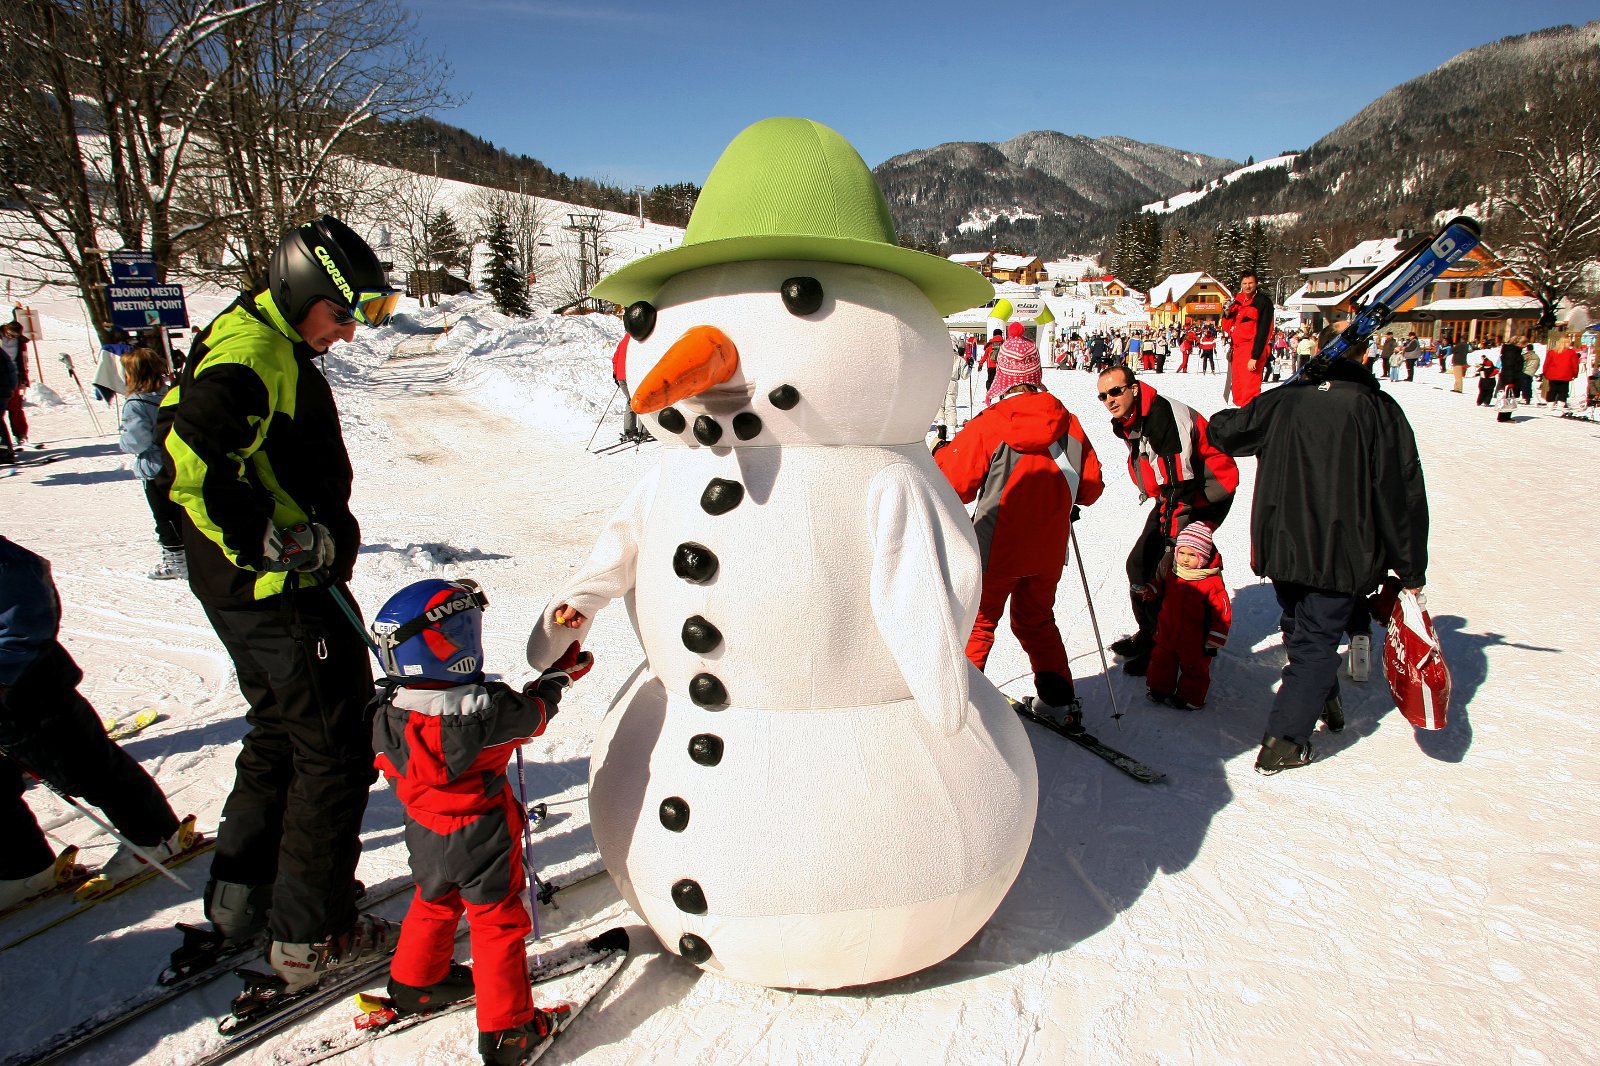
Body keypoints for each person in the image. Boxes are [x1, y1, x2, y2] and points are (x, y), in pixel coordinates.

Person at [154, 215, 402, 991]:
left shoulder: (261, 333)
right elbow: (186, 461)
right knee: (334, 748)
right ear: (300, 293)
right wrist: (273, 543)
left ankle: (242, 905)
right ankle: (312, 934)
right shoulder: (255, 355)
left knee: (280, 736)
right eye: (341, 315)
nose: (350, 335)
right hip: (277, 593)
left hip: (247, 592)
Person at [369, 578, 590, 1065]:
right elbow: (536, 715)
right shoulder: (488, 711)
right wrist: (559, 677)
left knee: (433, 900)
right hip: (481, 833)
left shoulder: (386, 712)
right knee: (496, 922)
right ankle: (510, 1029)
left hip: (424, 829)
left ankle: (415, 983)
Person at [1207, 330, 1429, 775]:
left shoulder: (1286, 401)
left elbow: (1224, 428)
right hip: (1341, 550)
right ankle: (1284, 741)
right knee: (1315, 642)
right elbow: (1399, 493)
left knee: (1304, 631)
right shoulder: (1378, 410)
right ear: (1364, 357)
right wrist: (1410, 566)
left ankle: (1319, 693)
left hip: (1284, 545)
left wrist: (1285, 393)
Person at [0, 536, 192, 910]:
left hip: (25, 686)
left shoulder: (7, 565)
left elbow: (25, 619)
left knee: (82, 765)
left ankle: (155, 835)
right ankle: (24, 867)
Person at [935, 366, 1103, 731]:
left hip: (997, 549)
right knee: (1037, 620)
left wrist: (943, 452)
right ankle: (1059, 702)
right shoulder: (1068, 422)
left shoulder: (993, 421)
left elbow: (953, 484)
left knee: (978, 624)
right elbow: (1091, 487)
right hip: (1048, 550)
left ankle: (961, 712)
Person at [1098, 366, 1239, 673]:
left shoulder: (1161, 418)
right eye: (1103, 395)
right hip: (1175, 495)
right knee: (1140, 565)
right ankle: (1153, 635)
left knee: (1175, 572)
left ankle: (1176, 647)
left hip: (1204, 495)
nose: (1109, 399)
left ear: (1134, 388)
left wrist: (1171, 541)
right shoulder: (1134, 417)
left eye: (1115, 391)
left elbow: (1181, 482)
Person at [1145, 521, 1231, 711]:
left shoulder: (1211, 582)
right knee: (1162, 660)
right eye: (1182, 553)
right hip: (1168, 630)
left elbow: (1222, 612)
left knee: (1194, 668)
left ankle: (1190, 697)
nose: (1185, 559)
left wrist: (1216, 636)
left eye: (1192, 555)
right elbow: (1160, 585)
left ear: (1204, 556)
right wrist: (1151, 589)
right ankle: (1159, 689)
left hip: (1194, 638)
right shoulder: (1173, 572)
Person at [118, 347, 187, 581]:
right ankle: (191, 558)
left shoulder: (135, 403)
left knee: (165, 518)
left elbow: (137, 440)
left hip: (155, 467)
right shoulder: (172, 395)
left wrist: (124, 441)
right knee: (182, 513)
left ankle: (177, 563)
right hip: (177, 463)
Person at [1221, 271, 1273, 404]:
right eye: (1244, 283)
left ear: (1256, 284)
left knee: (1250, 391)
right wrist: (1226, 313)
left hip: (1251, 350)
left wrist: (1255, 356)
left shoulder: (1263, 303)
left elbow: (1264, 331)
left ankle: (1250, 418)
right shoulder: (1238, 301)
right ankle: (1242, 416)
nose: (1247, 286)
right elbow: (1228, 327)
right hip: (1237, 351)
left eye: (1250, 283)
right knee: (1238, 389)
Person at [1, 321, 30, 450]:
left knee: (15, 407)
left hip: (14, 376)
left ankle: (20, 434)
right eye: (10, 335)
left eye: (15, 336)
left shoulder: (20, 342)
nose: (12, 338)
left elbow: (23, 361)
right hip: (1, 375)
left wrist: (24, 379)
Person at [1543, 340, 1580, 409]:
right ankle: (1561, 404)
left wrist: (1545, 372)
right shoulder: (1571, 353)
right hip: (1566, 374)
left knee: (1552, 389)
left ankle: (1550, 404)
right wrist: (1575, 374)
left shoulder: (1552, 352)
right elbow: (1575, 364)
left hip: (1553, 374)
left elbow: (1546, 364)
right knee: (1563, 390)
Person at [981, 328, 1004, 393]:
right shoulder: (1004, 343)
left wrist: (980, 364)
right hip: (1001, 366)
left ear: (993, 335)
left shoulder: (989, 344)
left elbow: (985, 356)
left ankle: (989, 396)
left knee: (990, 381)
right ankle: (1001, 397)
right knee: (1001, 381)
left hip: (991, 367)